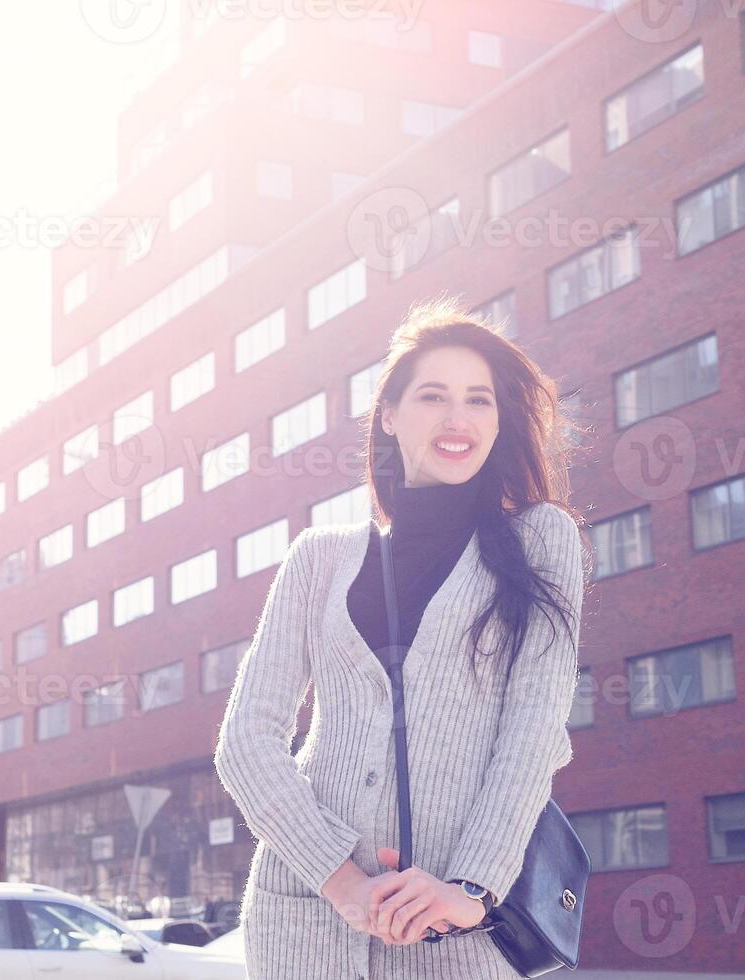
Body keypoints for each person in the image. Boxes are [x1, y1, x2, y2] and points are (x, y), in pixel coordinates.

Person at [214, 296, 589, 979]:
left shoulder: (541, 540)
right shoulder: (318, 557)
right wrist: (340, 881)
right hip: (305, 920)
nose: (458, 419)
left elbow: (534, 730)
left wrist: (472, 887)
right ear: (388, 416)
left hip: (454, 929)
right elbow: (246, 740)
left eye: (479, 400)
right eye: (433, 396)